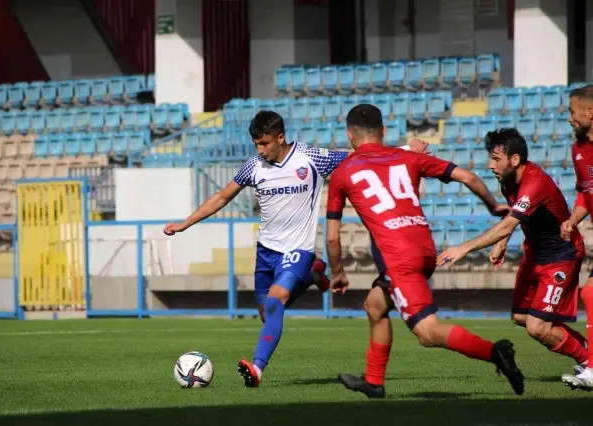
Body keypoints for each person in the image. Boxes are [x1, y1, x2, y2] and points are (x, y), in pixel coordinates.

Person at [163, 110, 428, 388]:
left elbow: (360, 156)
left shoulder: (310, 159)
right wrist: (185, 223)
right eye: (256, 145)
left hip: (297, 249)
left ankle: (257, 369)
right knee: (267, 315)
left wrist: (407, 149)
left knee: (276, 303)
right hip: (266, 251)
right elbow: (221, 197)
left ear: (281, 137)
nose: (260, 150)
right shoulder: (254, 166)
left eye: (264, 143)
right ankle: (314, 275)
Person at [326, 104, 524, 399]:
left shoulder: (343, 172)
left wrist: (339, 272)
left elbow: (331, 238)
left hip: (398, 258)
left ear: (349, 135)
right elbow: (468, 177)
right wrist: (493, 205)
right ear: (382, 131)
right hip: (424, 248)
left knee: (427, 333)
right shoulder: (409, 157)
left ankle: (496, 352)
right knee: (375, 306)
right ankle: (374, 381)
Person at [437, 128, 588, 376]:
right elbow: (515, 215)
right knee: (520, 316)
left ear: (515, 159)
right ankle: (587, 348)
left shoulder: (534, 182)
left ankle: (588, 360)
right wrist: (502, 242)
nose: (490, 165)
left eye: (496, 159)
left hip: (561, 256)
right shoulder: (508, 180)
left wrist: (464, 247)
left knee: (537, 327)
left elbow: (509, 222)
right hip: (535, 254)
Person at [559, 84, 593, 390]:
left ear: (590, 112)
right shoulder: (578, 149)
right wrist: (572, 219)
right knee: (590, 293)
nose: (569, 118)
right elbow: (585, 192)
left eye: (572, 111)